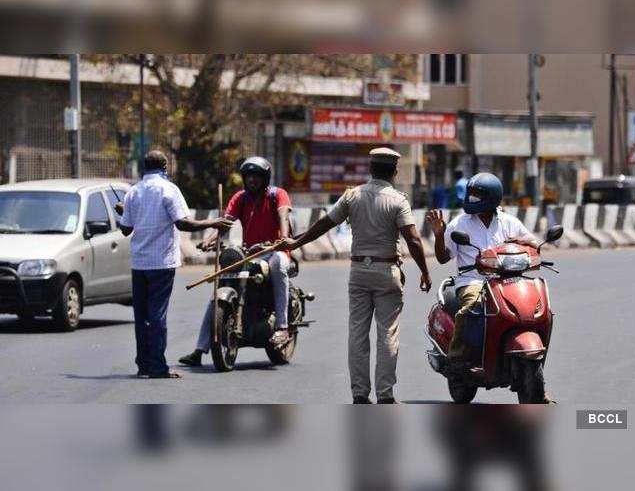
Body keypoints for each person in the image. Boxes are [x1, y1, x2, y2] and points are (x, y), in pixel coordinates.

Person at [278, 148, 432, 404]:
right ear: (394, 172)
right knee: (387, 334)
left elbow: (325, 223)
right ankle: (385, 395)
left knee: (357, 333)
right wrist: (424, 272)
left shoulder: (352, 196)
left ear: (370, 170)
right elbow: (413, 240)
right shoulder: (397, 200)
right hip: (387, 272)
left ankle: (359, 394)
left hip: (359, 272)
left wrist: (296, 242)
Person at [116, 150, 232, 379]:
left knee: (142, 317)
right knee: (157, 316)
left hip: (140, 263)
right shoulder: (169, 189)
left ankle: (144, 365)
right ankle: (158, 367)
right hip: (161, 262)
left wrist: (122, 212)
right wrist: (214, 222)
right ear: (165, 167)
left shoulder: (133, 193)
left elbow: (126, 229)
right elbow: (183, 224)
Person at [178, 156, 293, 367]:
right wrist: (211, 240)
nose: (252, 181)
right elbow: (225, 224)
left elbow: (283, 215)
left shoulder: (278, 195)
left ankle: (282, 327)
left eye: (257, 177)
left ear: (265, 178)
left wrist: (283, 239)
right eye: (249, 177)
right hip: (250, 252)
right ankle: (200, 349)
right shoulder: (240, 198)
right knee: (223, 280)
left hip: (275, 250)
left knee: (277, 263)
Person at [426, 172, 541, 372]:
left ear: (492, 197)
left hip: (507, 280)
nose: (471, 199)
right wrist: (438, 235)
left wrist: (521, 243)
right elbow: (443, 257)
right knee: (472, 305)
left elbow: (533, 242)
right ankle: (457, 357)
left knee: (532, 306)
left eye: (476, 195)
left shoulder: (508, 222)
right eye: (470, 195)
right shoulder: (459, 223)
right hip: (472, 281)